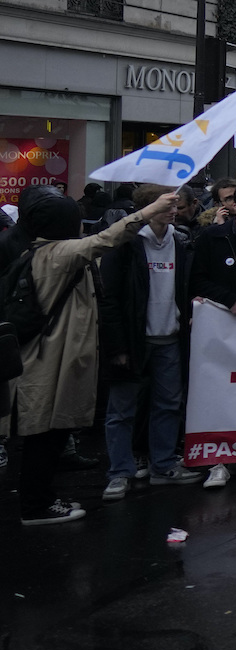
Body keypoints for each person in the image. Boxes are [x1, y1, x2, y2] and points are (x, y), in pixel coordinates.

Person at [7, 186, 177, 523]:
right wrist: (148, 211)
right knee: (46, 436)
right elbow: (107, 239)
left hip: (43, 356)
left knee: (48, 434)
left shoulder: (36, 251)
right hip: (49, 360)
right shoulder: (59, 253)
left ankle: (41, 499)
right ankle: (36, 506)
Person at [98, 186, 204, 500]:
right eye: (167, 205)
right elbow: (109, 298)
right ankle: (119, 472)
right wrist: (117, 346)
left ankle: (163, 465)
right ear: (148, 208)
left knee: (169, 405)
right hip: (134, 340)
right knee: (121, 410)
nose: (174, 211)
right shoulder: (126, 243)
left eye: (176, 205)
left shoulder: (181, 241)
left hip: (169, 337)